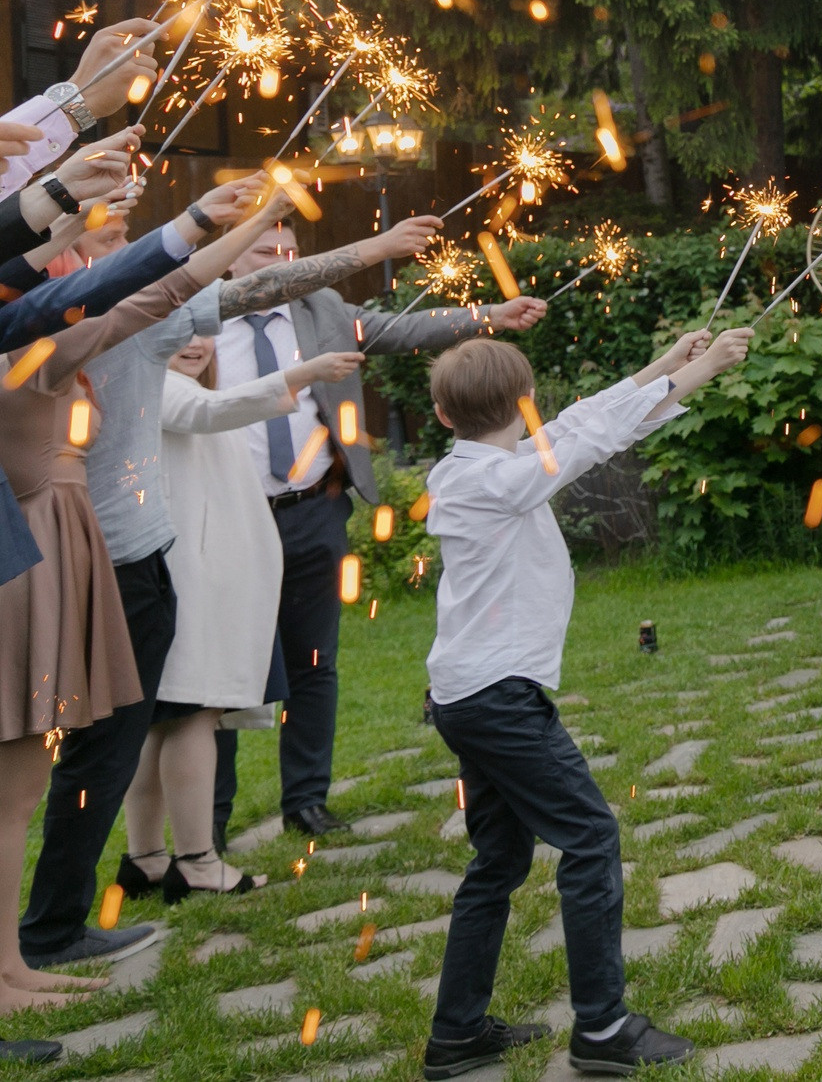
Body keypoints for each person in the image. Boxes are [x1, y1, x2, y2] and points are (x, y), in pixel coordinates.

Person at [17, 210, 444, 957]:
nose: (132, 251)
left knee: (124, 734)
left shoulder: (81, 323)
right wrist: (368, 250)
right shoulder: (117, 326)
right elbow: (235, 335)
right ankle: (88, 905)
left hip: (130, 550)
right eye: (114, 241)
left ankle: (128, 872)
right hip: (133, 558)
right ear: (68, 259)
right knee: (134, 734)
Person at [419, 326, 751, 1078]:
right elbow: (581, 443)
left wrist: (666, 362)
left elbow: (580, 424)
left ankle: (457, 1033)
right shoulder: (494, 478)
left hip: (474, 695)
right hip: (495, 698)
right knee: (591, 836)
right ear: (523, 402)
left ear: (441, 414)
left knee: (498, 858)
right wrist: (699, 377)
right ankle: (601, 1027)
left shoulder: (480, 464)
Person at [0, 176, 301, 1001]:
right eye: (90, 244)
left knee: (37, 775)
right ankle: (38, 938)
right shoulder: (40, 336)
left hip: (88, 555)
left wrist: (245, 225)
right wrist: (210, 222)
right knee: (36, 773)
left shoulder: (53, 329)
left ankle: (30, 947)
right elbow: (153, 288)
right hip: (52, 562)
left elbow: (162, 288)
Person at [207, 218, 549, 844]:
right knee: (225, 668)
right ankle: (210, 821)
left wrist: (490, 315)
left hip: (314, 506)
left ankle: (306, 800)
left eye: (289, 250)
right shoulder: (199, 320)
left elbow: (405, 327)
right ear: (229, 260)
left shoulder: (323, 307)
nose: (281, 261)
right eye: (263, 251)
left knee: (314, 661)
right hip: (229, 516)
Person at [115, 335, 365, 899]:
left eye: (203, 327)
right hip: (191, 579)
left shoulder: (162, 384)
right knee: (194, 714)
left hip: (197, 576)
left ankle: (147, 857)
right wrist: (302, 375)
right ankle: (198, 861)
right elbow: (209, 410)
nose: (194, 341)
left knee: (163, 719)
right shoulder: (154, 384)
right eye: (175, 327)